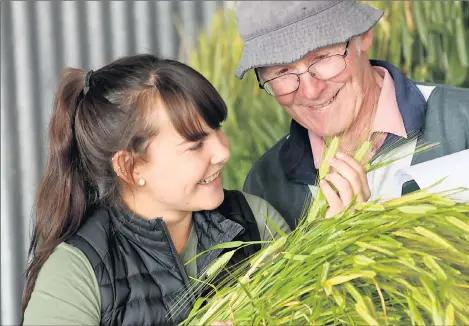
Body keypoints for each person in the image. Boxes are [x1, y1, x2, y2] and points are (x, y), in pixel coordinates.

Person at [233, 0, 469, 324]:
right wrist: (339, 253)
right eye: (281, 72)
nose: (309, 90)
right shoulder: (266, 186)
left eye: (322, 57)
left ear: (363, 35)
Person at [21, 54, 294, 325]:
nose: (223, 151)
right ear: (131, 168)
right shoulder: (76, 272)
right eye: (195, 145)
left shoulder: (256, 221)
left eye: (217, 129)